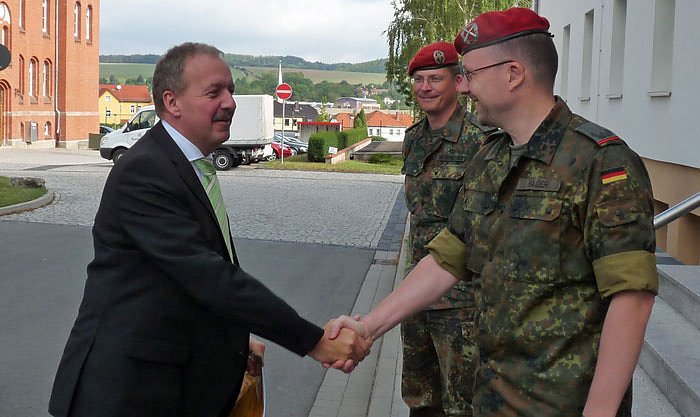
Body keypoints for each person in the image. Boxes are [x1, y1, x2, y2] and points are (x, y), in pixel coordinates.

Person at [330, 8, 657, 417]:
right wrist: (369, 326)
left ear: (513, 74)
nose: (464, 87)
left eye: (470, 74)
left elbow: (631, 296)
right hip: (490, 398)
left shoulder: (601, 162)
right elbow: (447, 258)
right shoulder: (491, 157)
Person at [48, 42, 368, 417]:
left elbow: (181, 286)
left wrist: (236, 341)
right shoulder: (145, 170)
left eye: (231, 90)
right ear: (172, 102)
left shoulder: (187, 164)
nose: (230, 102)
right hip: (125, 392)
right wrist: (314, 341)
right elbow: (208, 276)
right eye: (214, 92)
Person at [401, 41, 495, 417]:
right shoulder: (413, 138)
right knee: (419, 396)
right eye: (419, 80)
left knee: (463, 403)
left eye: (435, 79)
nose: (425, 87)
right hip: (415, 293)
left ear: (458, 83)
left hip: (461, 302)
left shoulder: (482, 141)